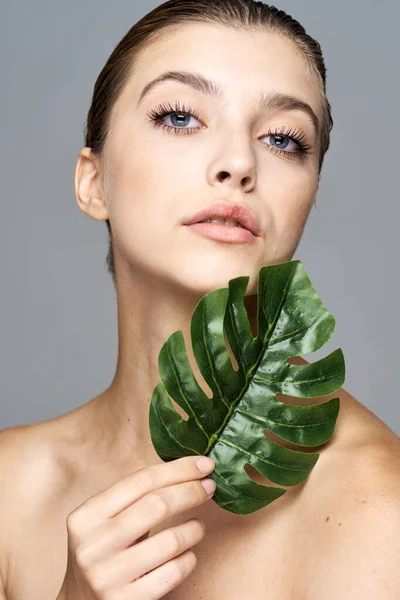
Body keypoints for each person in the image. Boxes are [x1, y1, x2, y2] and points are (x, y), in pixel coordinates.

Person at [1, 1, 399, 598]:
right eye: (181, 117)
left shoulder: (378, 512)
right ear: (93, 181)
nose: (239, 163)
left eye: (285, 140)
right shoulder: (9, 488)